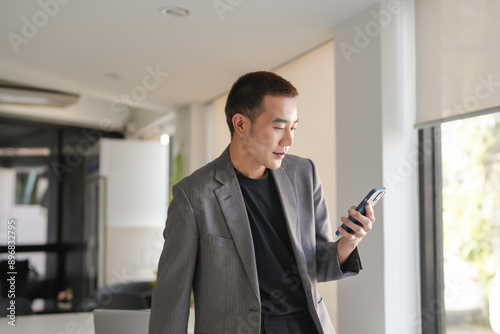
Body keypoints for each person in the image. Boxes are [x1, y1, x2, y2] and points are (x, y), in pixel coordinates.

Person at [149, 71, 375, 334]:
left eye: (293, 127)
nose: (288, 141)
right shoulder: (194, 195)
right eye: (278, 127)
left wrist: (349, 241)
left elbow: (318, 266)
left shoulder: (304, 173)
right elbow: (170, 300)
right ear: (241, 124)